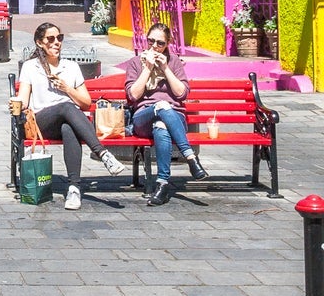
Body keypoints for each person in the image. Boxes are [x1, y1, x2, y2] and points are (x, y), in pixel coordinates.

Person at [11, 21, 124, 210]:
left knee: (68, 127)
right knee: (65, 106)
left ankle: (74, 188)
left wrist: (66, 88)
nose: (56, 42)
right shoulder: (31, 67)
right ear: (40, 43)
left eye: (60, 38)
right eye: (51, 39)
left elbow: (86, 102)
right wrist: (16, 103)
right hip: (41, 123)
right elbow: (23, 97)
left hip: (65, 121)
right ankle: (103, 154)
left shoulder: (71, 67)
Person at [125, 22, 204, 206]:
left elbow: (181, 94)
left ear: (167, 43)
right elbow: (133, 95)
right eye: (150, 41)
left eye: (159, 43)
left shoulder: (174, 62)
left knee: (161, 126)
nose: (154, 46)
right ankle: (190, 157)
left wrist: (166, 68)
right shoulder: (136, 63)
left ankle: (162, 185)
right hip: (143, 117)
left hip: (174, 117)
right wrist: (148, 68)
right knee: (161, 105)